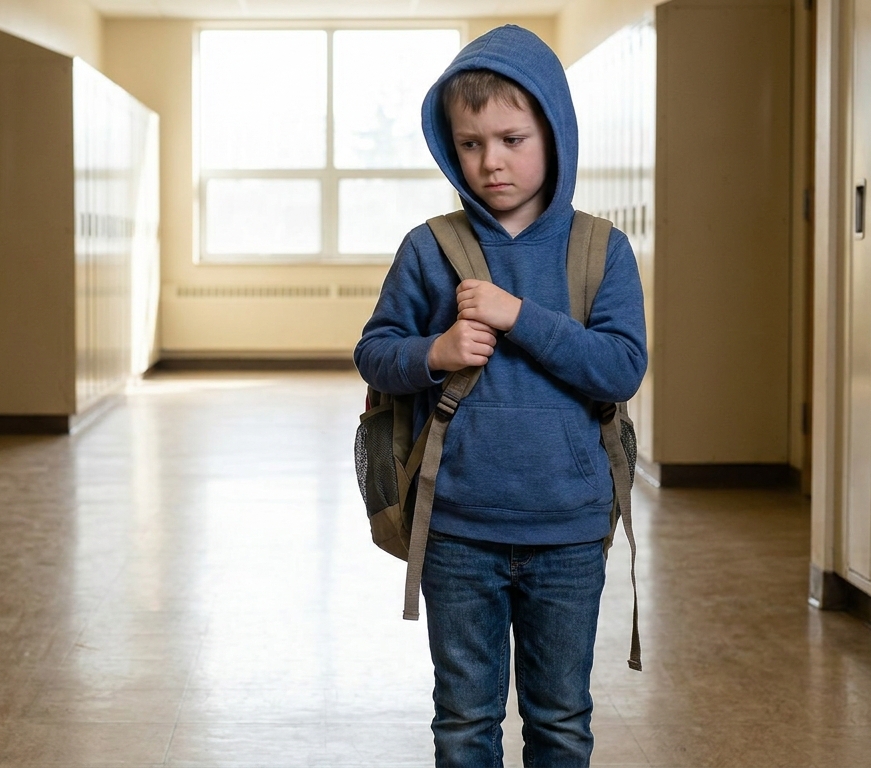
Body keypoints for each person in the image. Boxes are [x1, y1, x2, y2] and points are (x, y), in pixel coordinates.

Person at [353, 25, 648, 768]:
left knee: (559, 723)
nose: (492, 163)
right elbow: (375, 354)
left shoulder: (601, 251)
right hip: (456, 530)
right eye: (471, 143)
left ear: (554, 131)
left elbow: (619, 369)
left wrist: (519, 317)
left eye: (512, 139)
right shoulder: (429, 248)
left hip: (570, 535)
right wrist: (436, 352)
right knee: (463, 723)